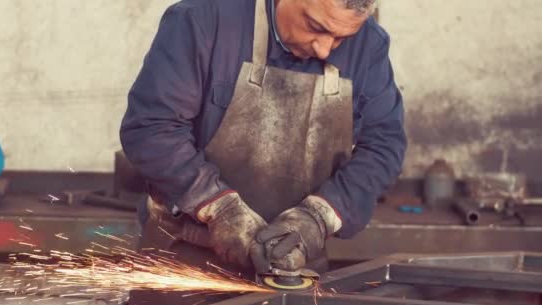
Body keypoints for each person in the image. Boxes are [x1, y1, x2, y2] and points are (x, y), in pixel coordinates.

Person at [120, 0, 406, 275]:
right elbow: (151, 127)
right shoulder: (202, 21)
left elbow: (383, 145)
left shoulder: (368, 45)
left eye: (340, 39)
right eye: (315, 26)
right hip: (182, 259)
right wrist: (220, 208)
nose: (324, 50)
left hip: (294, 266)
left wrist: (319, 217)